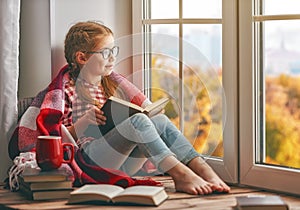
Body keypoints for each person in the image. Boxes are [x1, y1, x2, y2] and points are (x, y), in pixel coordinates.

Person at [62, 21, 230, 195]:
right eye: (105, 52)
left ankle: (203, 170)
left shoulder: (110, 86)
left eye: (114, 50)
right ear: (82, 58)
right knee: (138, 121)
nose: (112, 57)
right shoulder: (68, 89)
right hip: (91, 161)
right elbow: (56, 138)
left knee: (160, 120)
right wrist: (82, 122)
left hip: (123, 162)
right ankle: (180, 174)